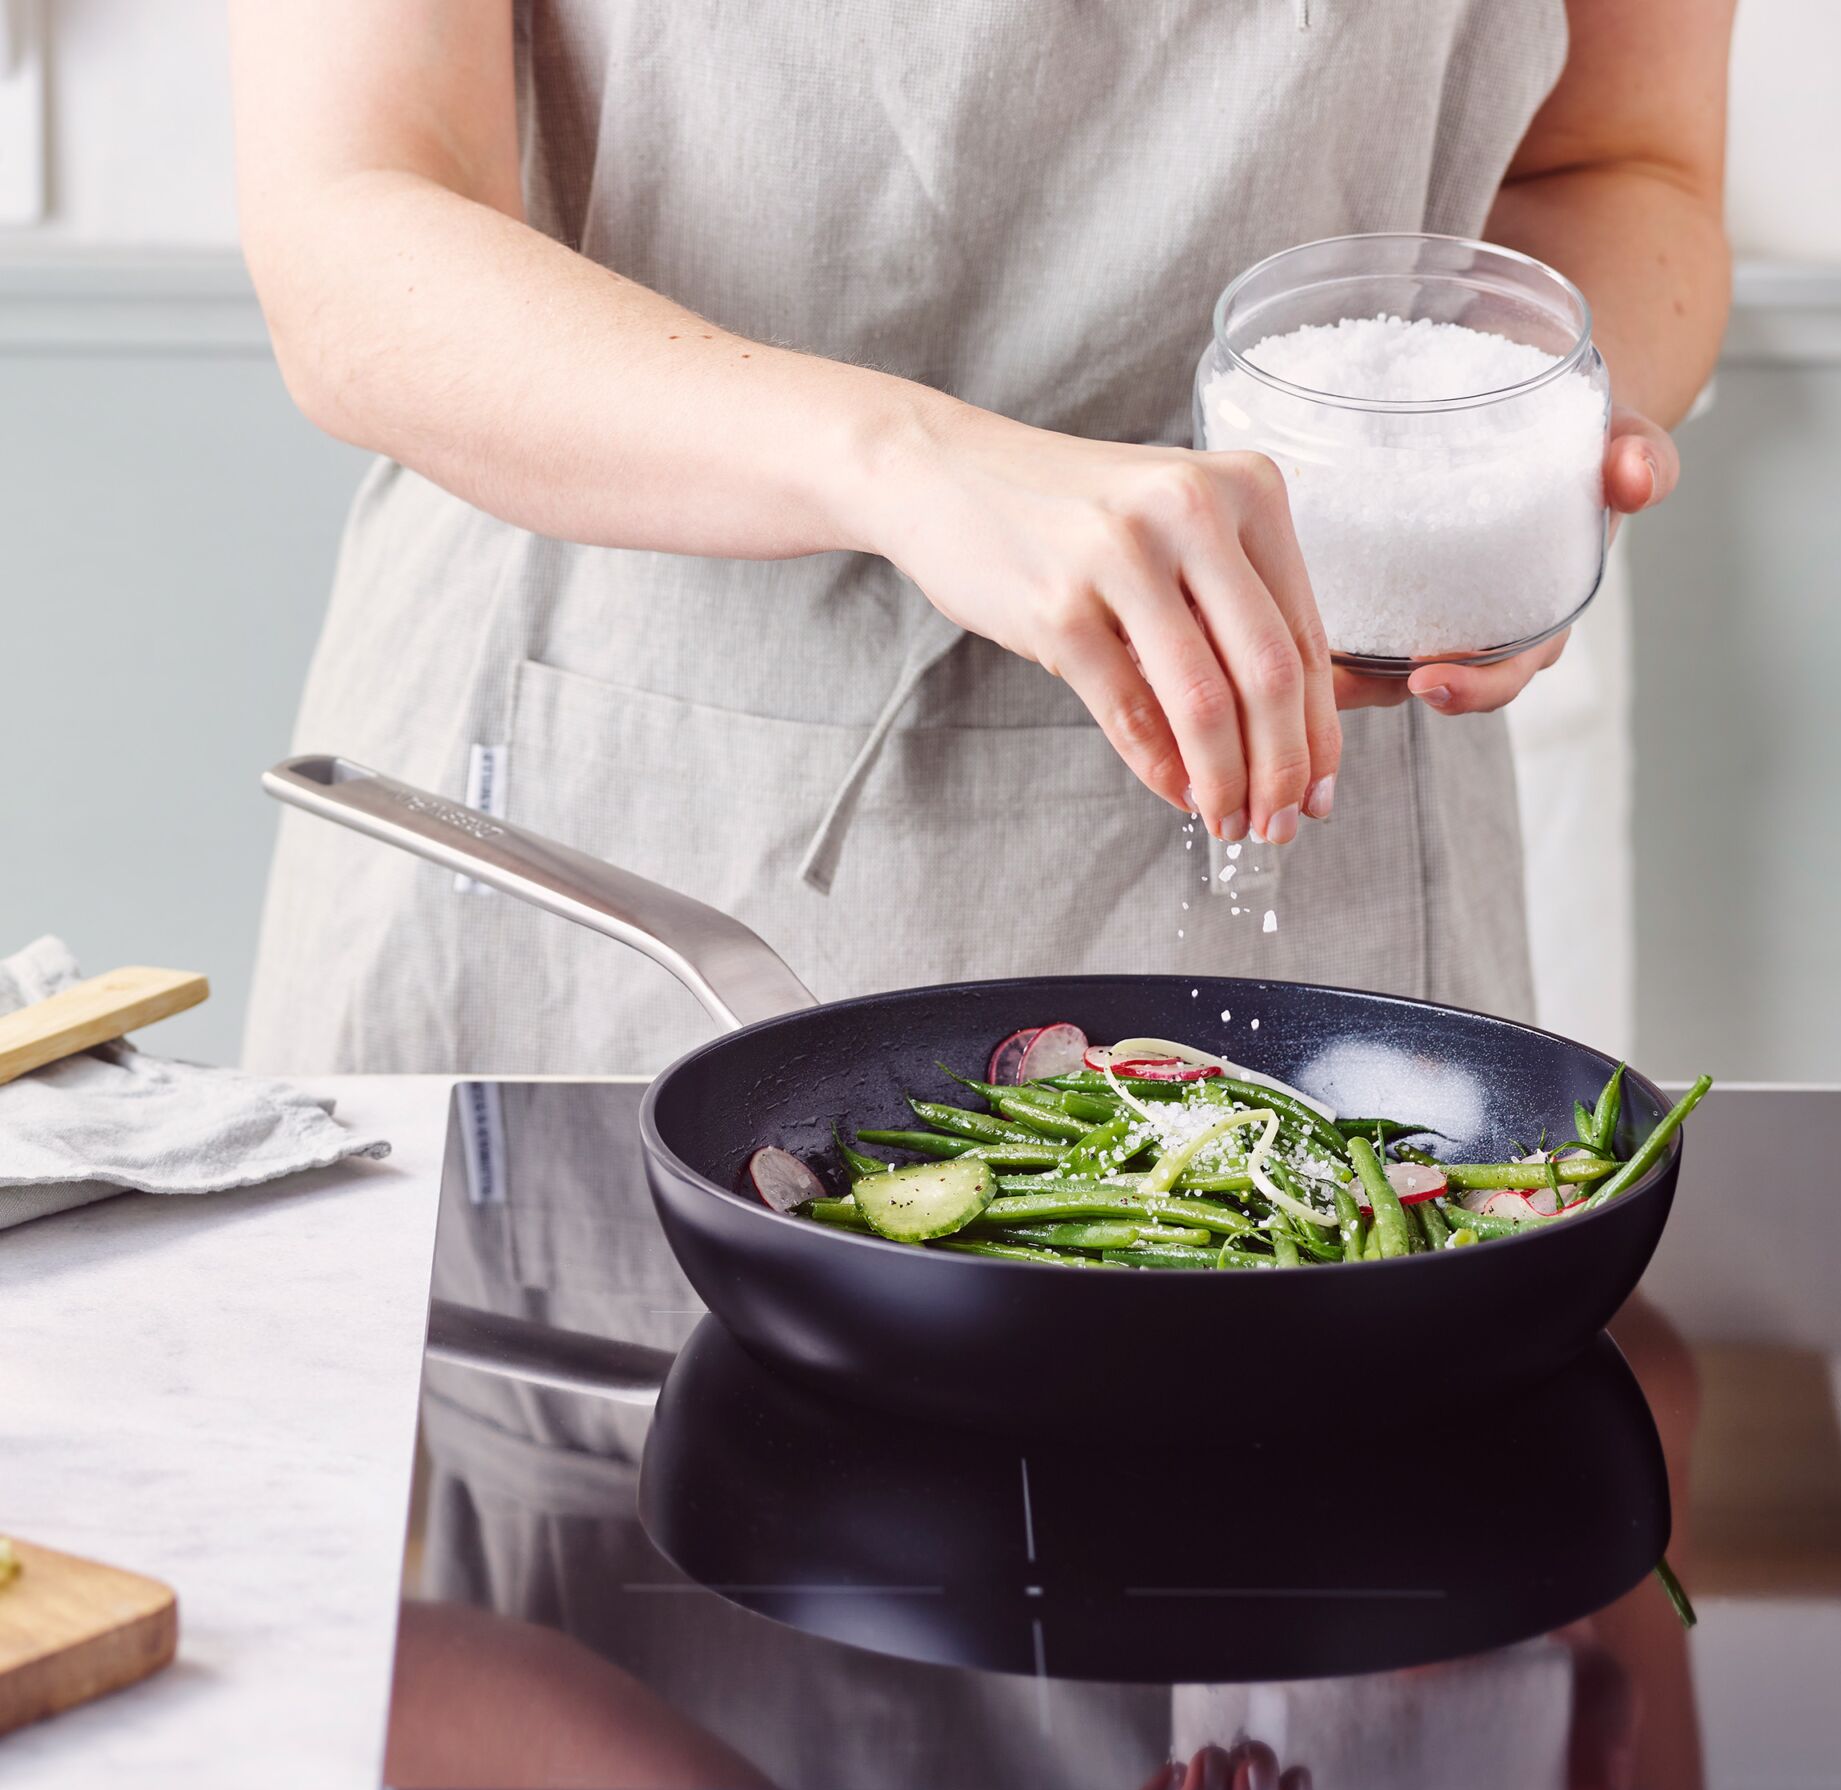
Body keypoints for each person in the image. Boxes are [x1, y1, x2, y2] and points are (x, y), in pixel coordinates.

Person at [231, 0, 1732, 1077]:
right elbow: (351, 227)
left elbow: (1623, 166)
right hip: (617, 798)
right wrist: (910, 462)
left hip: (1305, 802)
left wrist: (1508, 461)